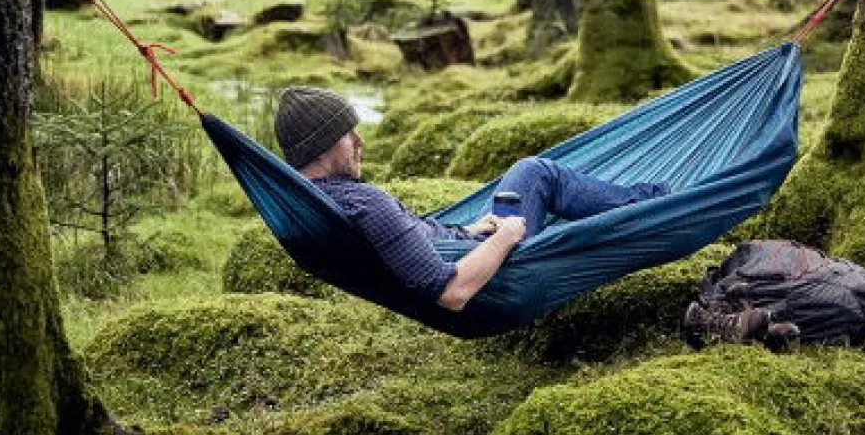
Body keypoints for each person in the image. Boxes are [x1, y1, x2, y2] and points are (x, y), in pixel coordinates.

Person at [275, 87, 670, 313]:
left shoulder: (319, 203)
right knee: (538, 173)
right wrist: (507, 235)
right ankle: (661, 202)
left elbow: (410, 242)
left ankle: (648, 199)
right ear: (323, 148)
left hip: (466, 244)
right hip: (497, 273)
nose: (360, 142)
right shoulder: (365, 204)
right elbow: (451, 292)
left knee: (530, 174)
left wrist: (466, 229)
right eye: (349, 134)